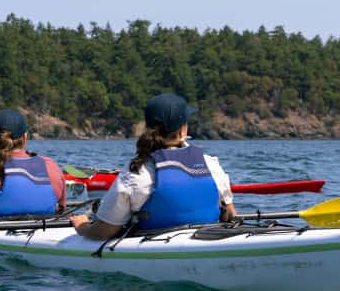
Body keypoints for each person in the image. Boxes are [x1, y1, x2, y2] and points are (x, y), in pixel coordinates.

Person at [70, 93, 236, 241]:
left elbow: (103, 232)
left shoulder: (136, 173)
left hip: (154, 243)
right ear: (181, 131)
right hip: (207, 239)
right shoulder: (210, 164)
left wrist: (83, 227)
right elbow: (230, 214)